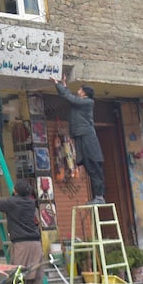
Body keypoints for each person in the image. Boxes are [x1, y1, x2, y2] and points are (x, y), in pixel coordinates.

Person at [54, 76, 105, 204]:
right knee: (88, 165)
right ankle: (98, 197)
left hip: (87, 136)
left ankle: (99, 197)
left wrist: (58, 84)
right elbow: (70, 98)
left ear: (84, 93)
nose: (78, 91)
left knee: (93, 165)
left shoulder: (88, 102)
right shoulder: (80, 103)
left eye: (80, 89)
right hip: (80, 136)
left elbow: (70, 98)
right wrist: (64, 86)